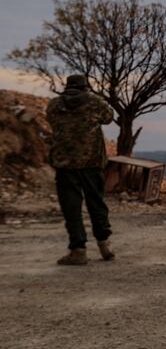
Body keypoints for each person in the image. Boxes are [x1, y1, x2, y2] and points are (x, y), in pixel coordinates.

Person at [46, 74, 115, 265]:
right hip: (91, 163)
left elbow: (52, 122)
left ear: (67, 86)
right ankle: (104, 245)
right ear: (85, 87)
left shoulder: (54, 105)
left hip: (65, 164)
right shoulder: (95, 103)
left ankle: (78, 250)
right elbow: (109, 118)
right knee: (96, 203)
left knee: (71, 208)